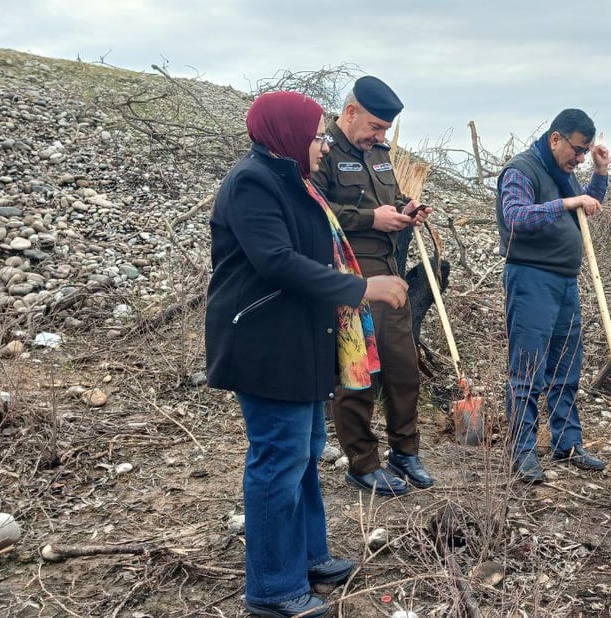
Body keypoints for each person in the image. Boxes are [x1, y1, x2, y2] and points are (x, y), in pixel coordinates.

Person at [206, 91, 409, 617]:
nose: (321, 144)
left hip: (300, 338)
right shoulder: (253, 181)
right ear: (287, 135)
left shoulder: (288, 177)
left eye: (321, 135)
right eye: (315, 135)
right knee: (278, 459)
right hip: (264, 342)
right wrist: (362, 288)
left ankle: (308, 557)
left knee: (305, 451)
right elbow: (276, 262)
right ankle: (272, 589)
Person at [312, 76, 433, 496]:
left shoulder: (378, 154)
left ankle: (406, 451)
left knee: (403, 368)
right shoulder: (321, 151)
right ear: (350, 113)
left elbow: (393, 195)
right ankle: (362, 463)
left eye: (385, 129)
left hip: (389, 269)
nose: (381, 136)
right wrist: (371, 219)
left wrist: (406, 209)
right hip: (348, 273)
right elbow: (316, 212)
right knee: (356, 372)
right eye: (376, 127)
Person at [496, 108, 610, 483]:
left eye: (583, 152)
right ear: (555, 138)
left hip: (564, 282)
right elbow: (515, 217)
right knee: (527, 368)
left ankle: (566, 442)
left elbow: (583, 209)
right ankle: (522, 450)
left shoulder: (564, 174)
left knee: (565, 365)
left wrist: (599, 175)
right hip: (531, 278)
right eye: (576, 150)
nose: (578, 158)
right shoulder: (522, 169)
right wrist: (565, 203)